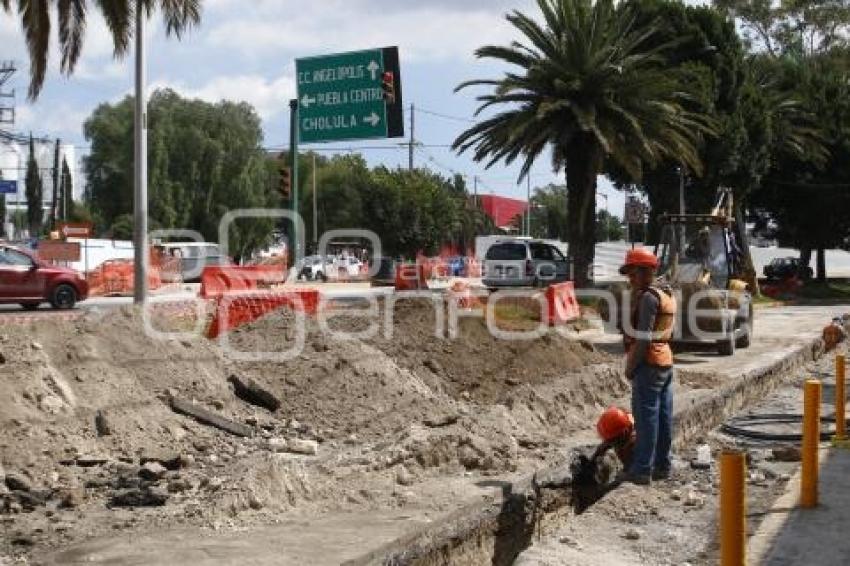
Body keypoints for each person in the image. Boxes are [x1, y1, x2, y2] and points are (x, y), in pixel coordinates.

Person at [619, 248, 677, 485]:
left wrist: (631, 366)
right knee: (663, 416)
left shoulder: (648, 298)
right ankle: (662, 465)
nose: (630, 279)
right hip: (665, 361)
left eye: (633, 274)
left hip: (649, 363)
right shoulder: (667, 294)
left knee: (646, 419)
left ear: (646, 272)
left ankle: (642, 469)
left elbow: (643, 337)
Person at [592, 406, 636, 470]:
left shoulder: (633, 446)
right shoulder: (625, 423)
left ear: (624, 432)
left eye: (613, 440)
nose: (611, 442)